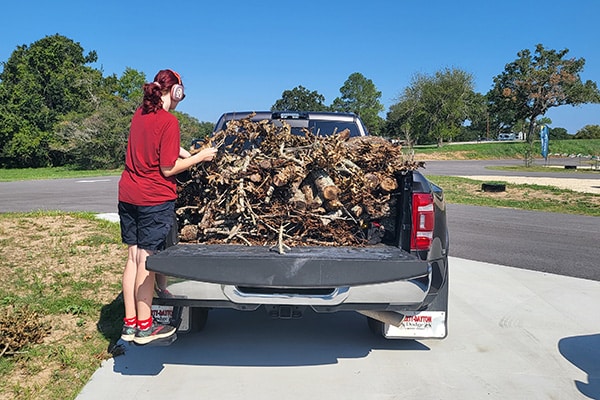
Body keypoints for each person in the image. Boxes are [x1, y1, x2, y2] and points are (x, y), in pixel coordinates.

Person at [118, 69, 217, 345]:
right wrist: (200, 159)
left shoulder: (140, 114)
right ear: (175, 92)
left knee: (132, 259)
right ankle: (145, 326)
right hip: (153, 199)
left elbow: (167, 148)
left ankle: (129, 324)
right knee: (147, 263)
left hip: (128, 195)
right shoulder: (168, 121)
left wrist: (193, 153)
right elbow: (168, 167)